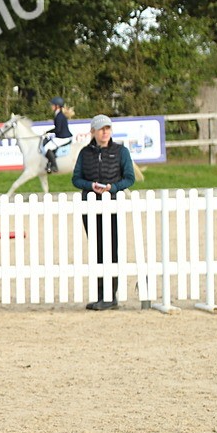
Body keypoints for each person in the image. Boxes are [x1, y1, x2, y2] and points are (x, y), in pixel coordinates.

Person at [72, 114, 135, 310]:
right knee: (97, 250)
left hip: (112, 205)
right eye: (101, 129)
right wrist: (90, 185)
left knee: (111, 249)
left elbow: (129, 178)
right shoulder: (85, 153)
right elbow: (76, 179)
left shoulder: (121, 151)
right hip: (90, 206)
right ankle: (101, 294)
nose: (105, 132)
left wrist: (113, 188)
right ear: (93, 132)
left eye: (107, 128)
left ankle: (111, 296)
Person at [41, 96, 73, 174]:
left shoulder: (59, 116)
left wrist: (48, 132)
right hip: (61, 136)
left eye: (52, 105)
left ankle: (54, 166)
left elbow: (58, 129)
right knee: (48, 144)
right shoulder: (58, 114)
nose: (51, 106)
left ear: (57, 106)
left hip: (63, 137)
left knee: (47, 148)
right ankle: (49, 164)